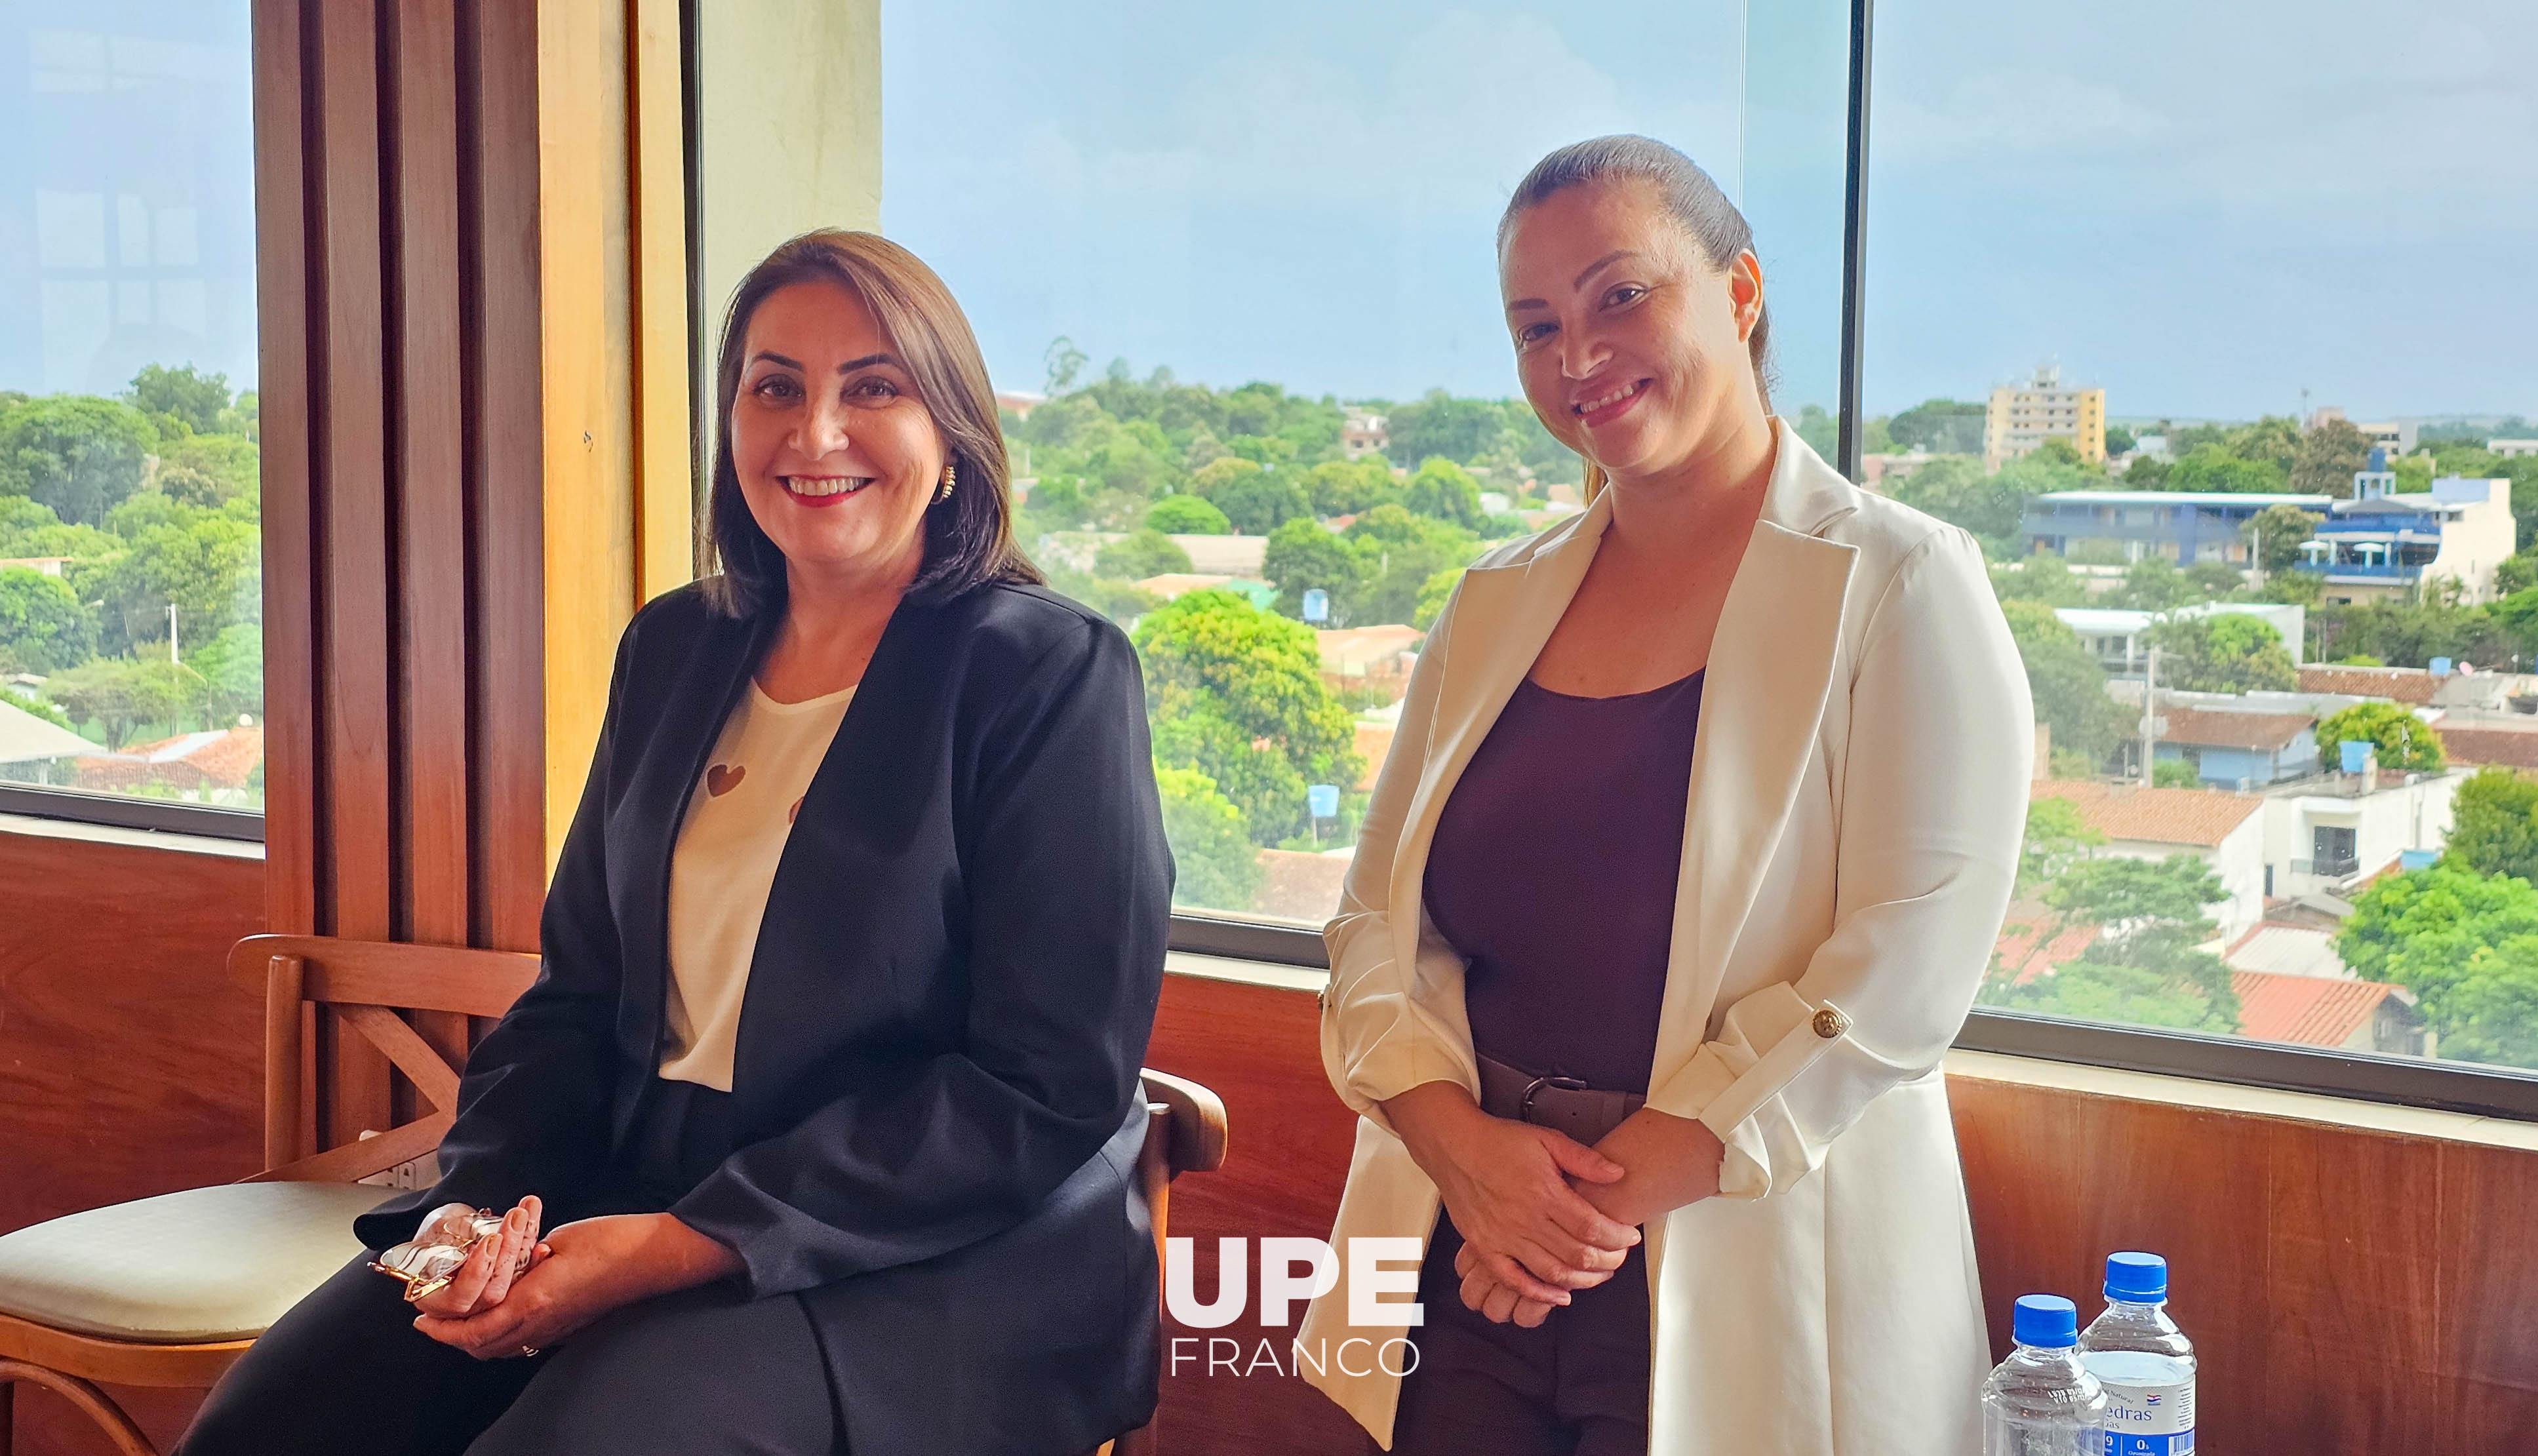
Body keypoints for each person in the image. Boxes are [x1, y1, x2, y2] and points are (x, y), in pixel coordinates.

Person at [179, 230, 1174, 1456]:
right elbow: (579, 993)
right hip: (625, 1181)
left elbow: (1045, 1083)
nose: (815, 433)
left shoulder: (1050, 674)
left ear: (952, 433)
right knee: (276, 1426)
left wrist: (677, 1244)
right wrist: (480, 1213)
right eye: (774, 387)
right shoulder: (674, 647)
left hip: (927, 1253)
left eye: (873, 386)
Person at [1298, 136, 2033, 1456]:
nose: (1577, 354)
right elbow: (1372, 928)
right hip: (1473, 1250)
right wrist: (1464, 1153)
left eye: (1619, 296)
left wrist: (1591, 1206)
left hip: (1741, 1234)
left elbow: (1905, 969)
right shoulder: (1492, 600)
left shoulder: (1901, 582)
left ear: (1739, 291)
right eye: (1535, 326)